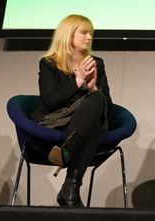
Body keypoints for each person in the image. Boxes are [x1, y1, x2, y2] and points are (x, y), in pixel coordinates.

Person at [31, 14, 111, 208]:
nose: (89, 37)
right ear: (68, 34)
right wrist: (77, 82)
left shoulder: (96, 63)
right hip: (57, 119)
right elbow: (50, 102)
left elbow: (108, 104)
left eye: (91, 33)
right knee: (91, 127)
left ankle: (67, 152)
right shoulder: (49, 63)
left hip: (83, 121)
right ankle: (70, 190)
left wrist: (92, 87)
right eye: (84, 32)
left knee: (97, 99)